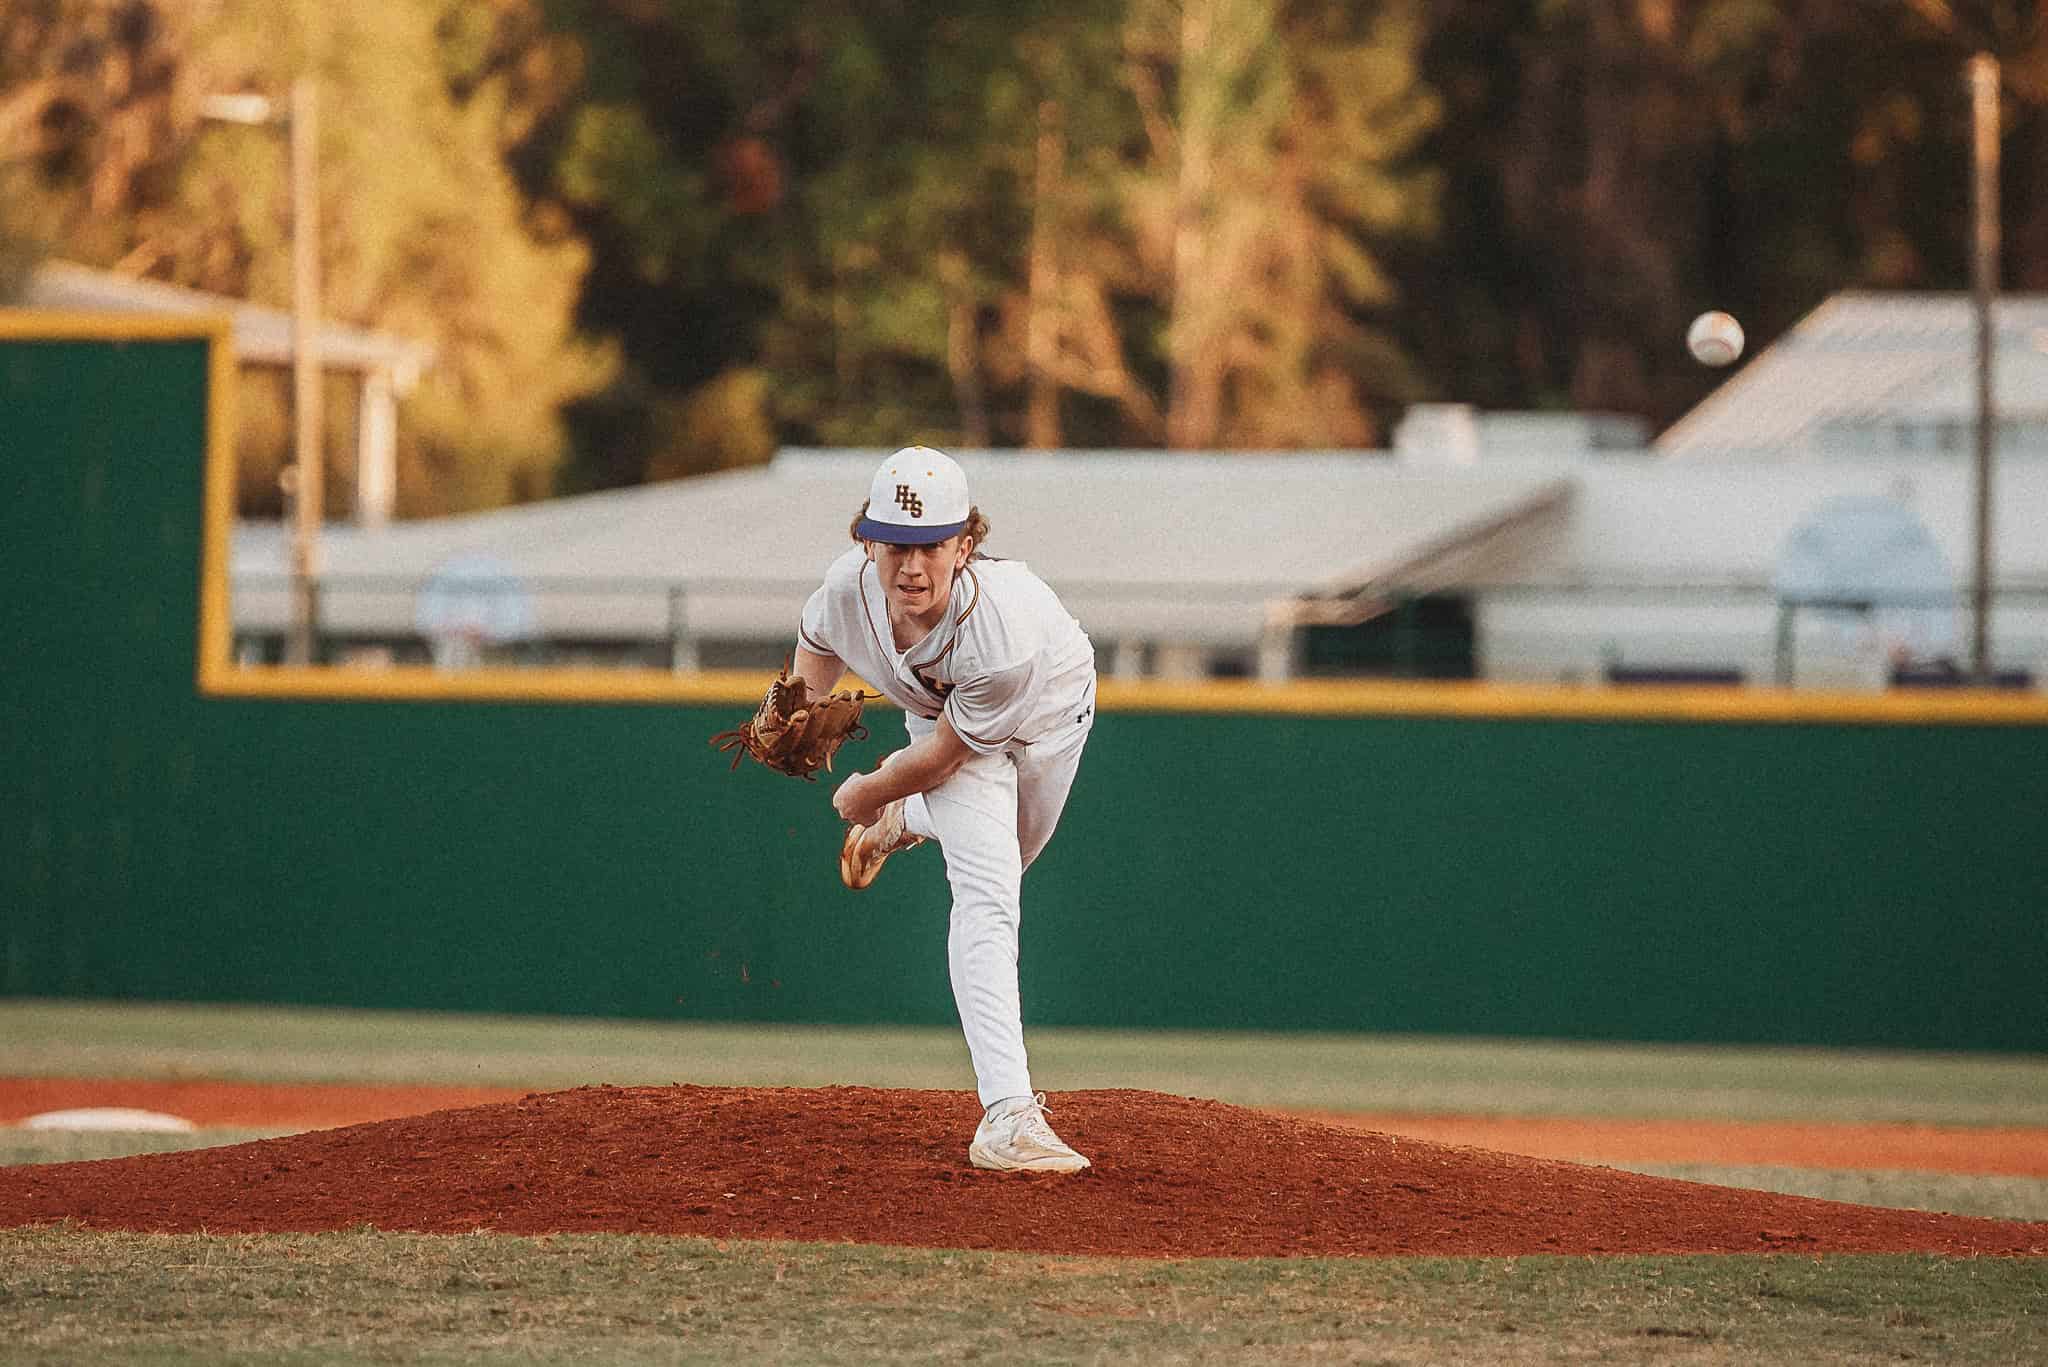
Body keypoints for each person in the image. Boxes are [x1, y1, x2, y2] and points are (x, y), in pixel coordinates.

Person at [788, 446, 1097, 1173]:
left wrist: (867, 793)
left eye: (931, 545)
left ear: (966, 544)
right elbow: (815, 645)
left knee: (1003, 859)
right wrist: (796, 706)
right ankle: (1008, 1116)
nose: (912, 566)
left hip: (1049, 717)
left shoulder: (1002, 636)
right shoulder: (847, 587)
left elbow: (939, 761)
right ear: (867, 540)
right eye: (895, 542)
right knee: (989, 896)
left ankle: (905, 821)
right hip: (946, 726)